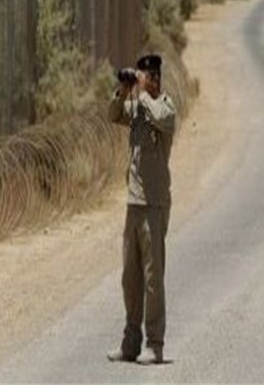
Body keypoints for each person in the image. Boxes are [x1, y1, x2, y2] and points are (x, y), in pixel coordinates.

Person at [107, 53, 176, 365]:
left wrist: (145, 94)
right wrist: (124, 89)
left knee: (152, 278)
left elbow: (163, 119)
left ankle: (155, 343)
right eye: (143, 75)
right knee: (129, 276)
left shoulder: (164, 105)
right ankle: (130, 340)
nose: (146, 79)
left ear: (156, 78)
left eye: (148, 76)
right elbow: (112, 114)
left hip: (155, 204)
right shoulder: (135, 108)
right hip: (133, 203)